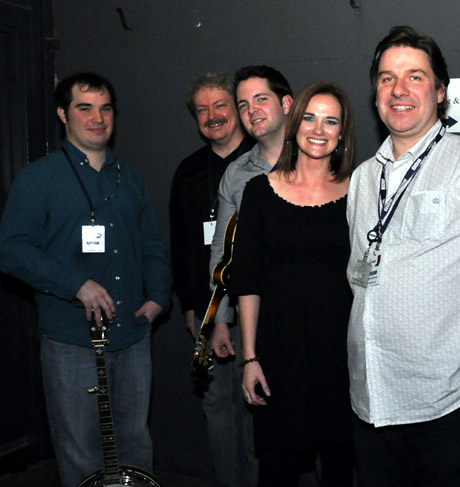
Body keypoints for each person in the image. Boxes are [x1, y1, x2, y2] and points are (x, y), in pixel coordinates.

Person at [346, 25, 460, 487]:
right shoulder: (363, 178)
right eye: (387, 78)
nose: (399, 89)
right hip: (370, 401)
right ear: (375, 94)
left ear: (440, 91)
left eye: (415, 76)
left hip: (449, 407)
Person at [0, 72, 171, 487]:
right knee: (81, 451)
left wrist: (158, 297)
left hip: (132, 335)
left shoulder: (129, 178)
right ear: (63, 114)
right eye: (85, 108)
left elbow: (152, 245)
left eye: (105, 108)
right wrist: (76, 284)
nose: (98, 118)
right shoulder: (37, 179)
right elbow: (12, 250)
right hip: (71, 341)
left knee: (136, 445)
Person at [231, 81, 355, 487]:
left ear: (342, 132)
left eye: (330, 121)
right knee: (277, 470)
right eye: (310, 118)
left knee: (340, 468)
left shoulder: (361, 191)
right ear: (295, 122)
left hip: (340, 357)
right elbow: (247, 281)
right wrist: (250, 358)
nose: (318, 130)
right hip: (278, 355)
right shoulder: (259, 192)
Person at [169, 72, 255, 487]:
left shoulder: (264, 161)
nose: (212, 115)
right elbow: (181, 244)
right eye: (202, 110)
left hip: (258, 307)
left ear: (237, 109)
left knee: (257, 404)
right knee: (217, 405)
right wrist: (189, 305)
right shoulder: (188, 171)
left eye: (220, 105)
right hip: (206, 311)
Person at [208, 65, 293, 346]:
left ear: (286, 104)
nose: (251, 110)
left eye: (261, 99)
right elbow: (222, 249)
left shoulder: (317, 159)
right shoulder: (236, 174)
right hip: (259, 315)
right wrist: (220, 319)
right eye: (243, 104)